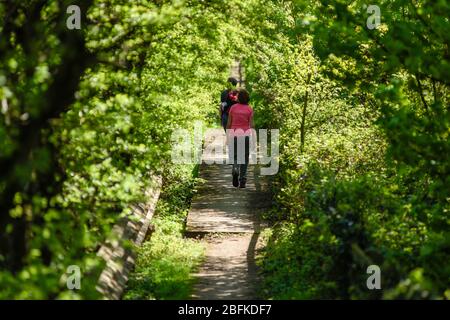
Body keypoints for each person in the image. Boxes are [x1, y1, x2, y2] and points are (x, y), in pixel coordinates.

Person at [226, 89, 254, 188]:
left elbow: (228, 124)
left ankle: (235, 168)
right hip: (245, 135)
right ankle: (242, 180)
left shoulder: (233, 108)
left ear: (238, 98)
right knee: (245, 158)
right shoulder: (249, 109)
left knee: (235, 156)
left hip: (234, 134)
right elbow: (252, 125)